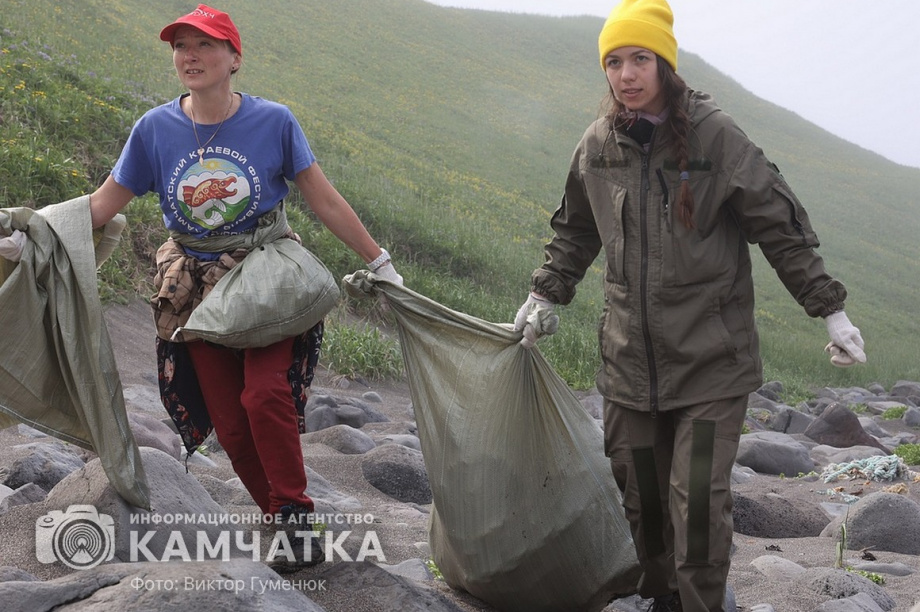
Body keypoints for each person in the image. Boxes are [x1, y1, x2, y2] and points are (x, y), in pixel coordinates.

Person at [512, 0, 866, 610]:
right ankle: (665, 598)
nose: (626, 74)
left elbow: (778, 225)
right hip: (629, 360)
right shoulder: (599, 144)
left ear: (665, 64)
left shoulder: (715, 136)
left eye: (640, 59)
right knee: (641, 497)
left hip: (710, 361)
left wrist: (829, 310)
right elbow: (575, 230)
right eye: (615, 61)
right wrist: (544, 294)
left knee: (697, 503)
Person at [87, 4, 402, 571]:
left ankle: (297, 512)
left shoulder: (274, 120)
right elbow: (103, 205)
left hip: (264, 277)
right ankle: (281, 518)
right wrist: (30, 231)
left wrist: (379, 261)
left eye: (205, 45)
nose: (190, 55)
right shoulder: (154, 129)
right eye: (181, 46)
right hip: (196, 289)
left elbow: (322, 197)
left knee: (264, 395)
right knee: (229, 422)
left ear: (234, 58)